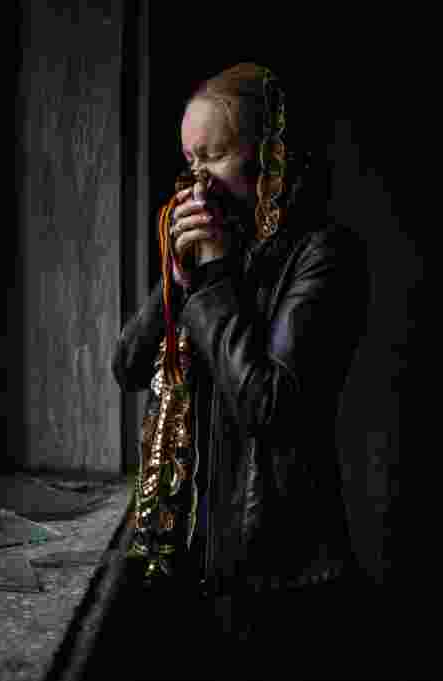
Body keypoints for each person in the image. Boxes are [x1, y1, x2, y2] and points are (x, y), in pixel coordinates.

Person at [112, 63, 371, 680]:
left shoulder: (325, 255)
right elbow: (127, 367)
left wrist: (214, 280)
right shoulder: (215, 262)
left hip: (280, 576)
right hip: (191, 556)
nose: (198, 180)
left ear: (273, 156)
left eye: (218, 154)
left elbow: (271, 406)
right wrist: (177, 282)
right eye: (189, 158)